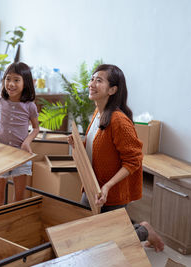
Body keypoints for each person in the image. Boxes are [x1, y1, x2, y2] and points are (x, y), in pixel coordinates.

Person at [68, 64, 164, 252]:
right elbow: (99, 146)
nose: (91, 84)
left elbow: (134, 160)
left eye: (99, 80)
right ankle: (141, 229)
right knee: (89, 232)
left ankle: (144, 231)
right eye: (92, 79)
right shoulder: (98, 113)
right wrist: (79, 143)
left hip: (111, 189)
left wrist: (108, 186)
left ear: (112, 90)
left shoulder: (119, 121)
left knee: (112, 243)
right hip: (93, 185)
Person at [0, 62, 39, 207]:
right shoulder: (1, 101)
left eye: (16, 80)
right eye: (8, 79)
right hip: (0, 154)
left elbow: (36, 129)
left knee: (18, 199)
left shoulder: (29, 106)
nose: (11, 84)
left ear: (25, 83)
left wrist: (27, 142)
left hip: (20, 155)